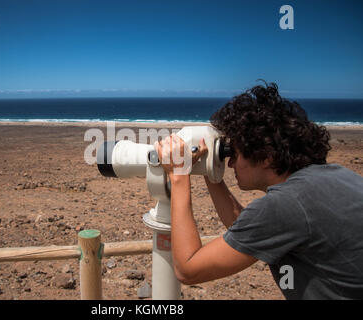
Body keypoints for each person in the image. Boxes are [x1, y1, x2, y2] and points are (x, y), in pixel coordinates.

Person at [154, 82, 363, 299]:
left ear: (266, 156)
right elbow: (248, 230)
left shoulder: (286, 205)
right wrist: (210, 171)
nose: (231, 164)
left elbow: (188, 269)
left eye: (234, 154)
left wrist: (178, 176)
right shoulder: (334, 177)